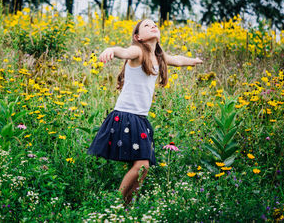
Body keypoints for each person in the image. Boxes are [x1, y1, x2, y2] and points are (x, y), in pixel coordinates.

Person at [87, 19, 203, 206]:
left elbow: (178, 60)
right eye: (147, 25)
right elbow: (123, 51)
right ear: (138, 37)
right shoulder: (138, 51)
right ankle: (116, 203)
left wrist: (194, 61)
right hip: (125, 116)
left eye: (154, 24)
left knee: (144, 167)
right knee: (142, 164)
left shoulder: (159, 57)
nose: (153, 25)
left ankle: (128, 205)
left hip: (140, 119)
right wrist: (110, 50)